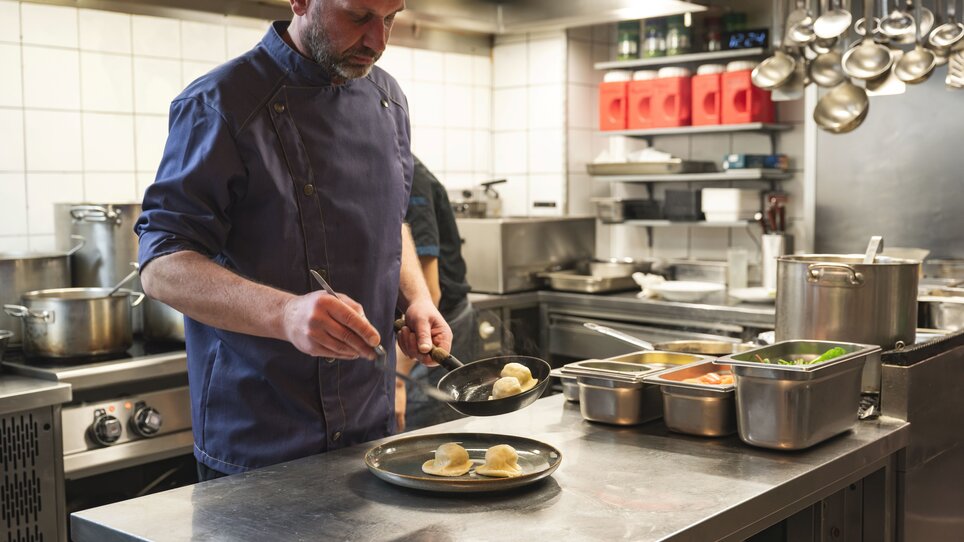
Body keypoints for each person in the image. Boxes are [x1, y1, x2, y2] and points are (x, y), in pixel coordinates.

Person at [134, 0, 451, 482]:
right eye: (360, 16)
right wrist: (286, 314)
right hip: (259, 439)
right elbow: (161, 265)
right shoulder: (220, 103)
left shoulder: (388, 100)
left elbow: (393, 220)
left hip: (370, 432)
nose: (379, 42)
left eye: (390, 18)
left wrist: (418, 299)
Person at [394, 157, 479, 432]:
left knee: (433, 443)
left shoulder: (410, 178)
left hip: (437, 327)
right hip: (408, 332)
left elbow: (429, 293)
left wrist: (397, 380)